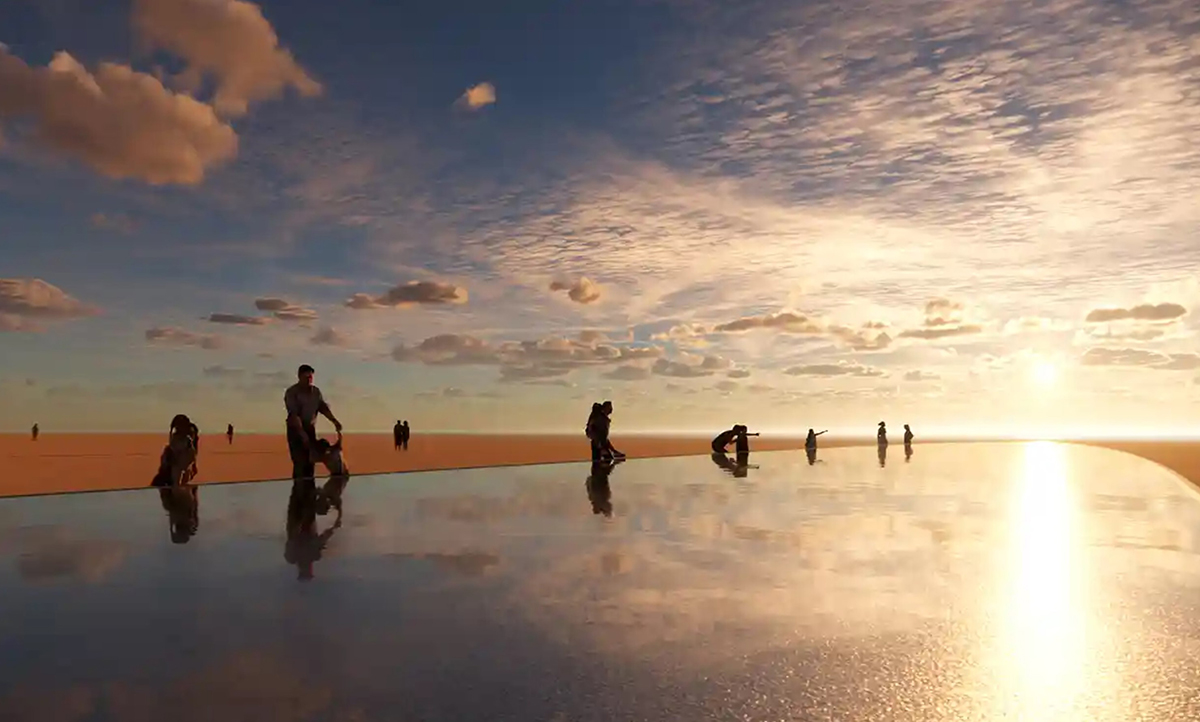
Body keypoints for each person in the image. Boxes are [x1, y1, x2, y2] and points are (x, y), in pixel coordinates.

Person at [284, 364, 342, 482]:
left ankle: (310, 494)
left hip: (310, 429)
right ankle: (298, 495)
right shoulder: (292, 392)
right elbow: (294, 415)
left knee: (310, 463)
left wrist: (334, 421)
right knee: (300, 463)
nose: (309, 379)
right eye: (306, 377)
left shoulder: (315, 392)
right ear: (299, 376)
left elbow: (323, 408)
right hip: (295, 431)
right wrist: (302, 435)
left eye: (311, 377)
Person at [153, 414, 200, 487]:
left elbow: (191, 455)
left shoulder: (186, 442)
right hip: (175, 468)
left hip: (179, 467)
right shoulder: (176, 441)